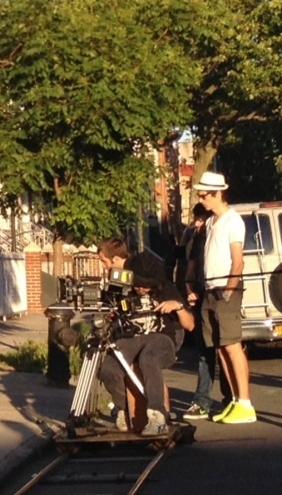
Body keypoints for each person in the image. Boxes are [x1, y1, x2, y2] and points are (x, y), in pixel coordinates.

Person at [97, 237, 194, 436]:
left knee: (148, 358)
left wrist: (178, 306)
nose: (140, 289)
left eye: (145, 286)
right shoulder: (121, 284)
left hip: (163, 337)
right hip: (132, 337)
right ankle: (123, 409)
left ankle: (157, 415)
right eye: (138, 285)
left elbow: (190, 325)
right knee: (109, 366)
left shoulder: (166, 289)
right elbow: (108, 309)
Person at [194, 172, 256, 424]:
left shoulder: (233, 221)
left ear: (218, 193)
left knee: (232, 345)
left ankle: (245, 403)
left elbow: (237, 260)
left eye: (205, 195)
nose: (202, 199)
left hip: (224, 290)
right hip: (211, 289)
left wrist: (230, 289)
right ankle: (233, 400)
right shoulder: (211, 222)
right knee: (219, 347)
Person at [181, 203, 231, 420]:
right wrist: (189, 289)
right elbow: (189, 267)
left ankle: (231, 398)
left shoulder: (217, 236)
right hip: (201, 297)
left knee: (226, 349)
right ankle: (202, 400)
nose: (197, 224)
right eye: (196, 219)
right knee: (204, 351)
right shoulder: (194, 238)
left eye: (201, 219)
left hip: (218, 295)